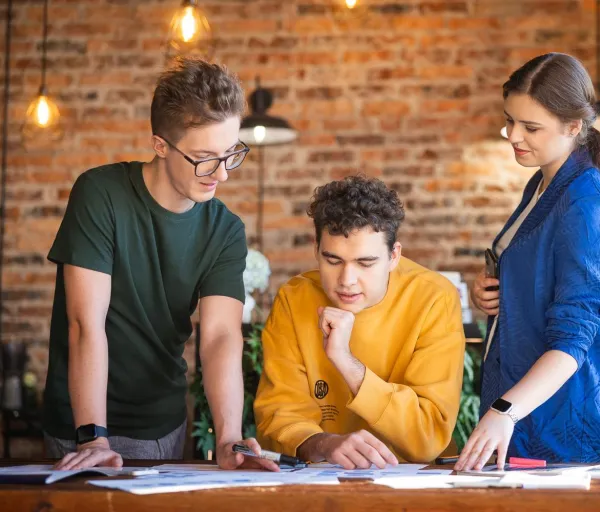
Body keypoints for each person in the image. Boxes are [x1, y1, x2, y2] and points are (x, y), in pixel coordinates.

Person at [43, 57, 278, 472]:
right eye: (205, 158)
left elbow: (221, 336)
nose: (221, 174)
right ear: (160, 146)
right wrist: (92, 436)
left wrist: (228, 437)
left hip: (160, 424)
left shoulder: (225, 230)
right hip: (79, 423)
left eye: (230, 154)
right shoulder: (101, 194)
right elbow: (85, 323)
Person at [455, 53, 600, 471]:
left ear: (573, 126)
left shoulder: (585, 204)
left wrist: (504, 410)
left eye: (531, 127)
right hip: (528, 414)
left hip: (562, 429)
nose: (512, 135)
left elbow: (572, 343)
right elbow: (540, 276)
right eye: (510, 120)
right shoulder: (543, 181)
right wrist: (493, 291)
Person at [254, 176, 466, 469]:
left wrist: (345, 361)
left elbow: (427, 437)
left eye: (366, 263)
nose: (347, 281)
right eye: (332, 260)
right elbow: (279, 417)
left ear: (394, 256)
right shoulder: (294, 299)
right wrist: (326, 444)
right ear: (316, 249)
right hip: (317, 478)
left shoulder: (434, 297)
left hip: (413, 478)